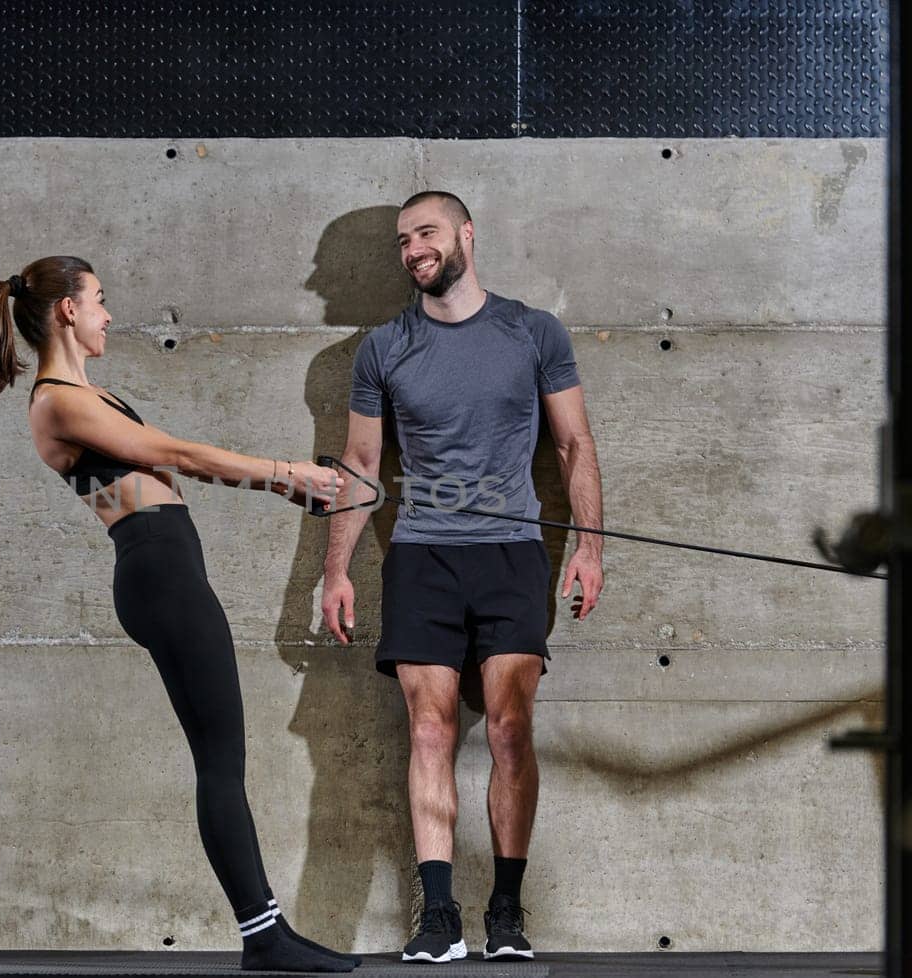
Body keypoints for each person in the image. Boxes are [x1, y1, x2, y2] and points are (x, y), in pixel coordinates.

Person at [0, 256, 357, 973]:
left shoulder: (92, 394)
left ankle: (267, 932)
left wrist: (284, 488)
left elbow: (165, 463)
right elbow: (175, 453)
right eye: (98, 300)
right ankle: (264, 937)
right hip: (159, 572)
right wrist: (286, 473)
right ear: (66, 310)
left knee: (225, 759)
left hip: (167, 569)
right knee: (221, 762)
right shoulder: (56, 400)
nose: (108, 314)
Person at [320, 193, 605, 963]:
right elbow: (359, 464)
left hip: (514, 553)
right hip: (422, 555)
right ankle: (438, 915)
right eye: (403, 240)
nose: (413, 249)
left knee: (511, 727)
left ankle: (506, 914)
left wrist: (589, 548)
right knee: (429, 729)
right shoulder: (384, 347)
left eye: (427, 233)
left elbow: (574, 445)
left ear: (465, 236)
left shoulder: (532, 331)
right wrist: (336, 568)